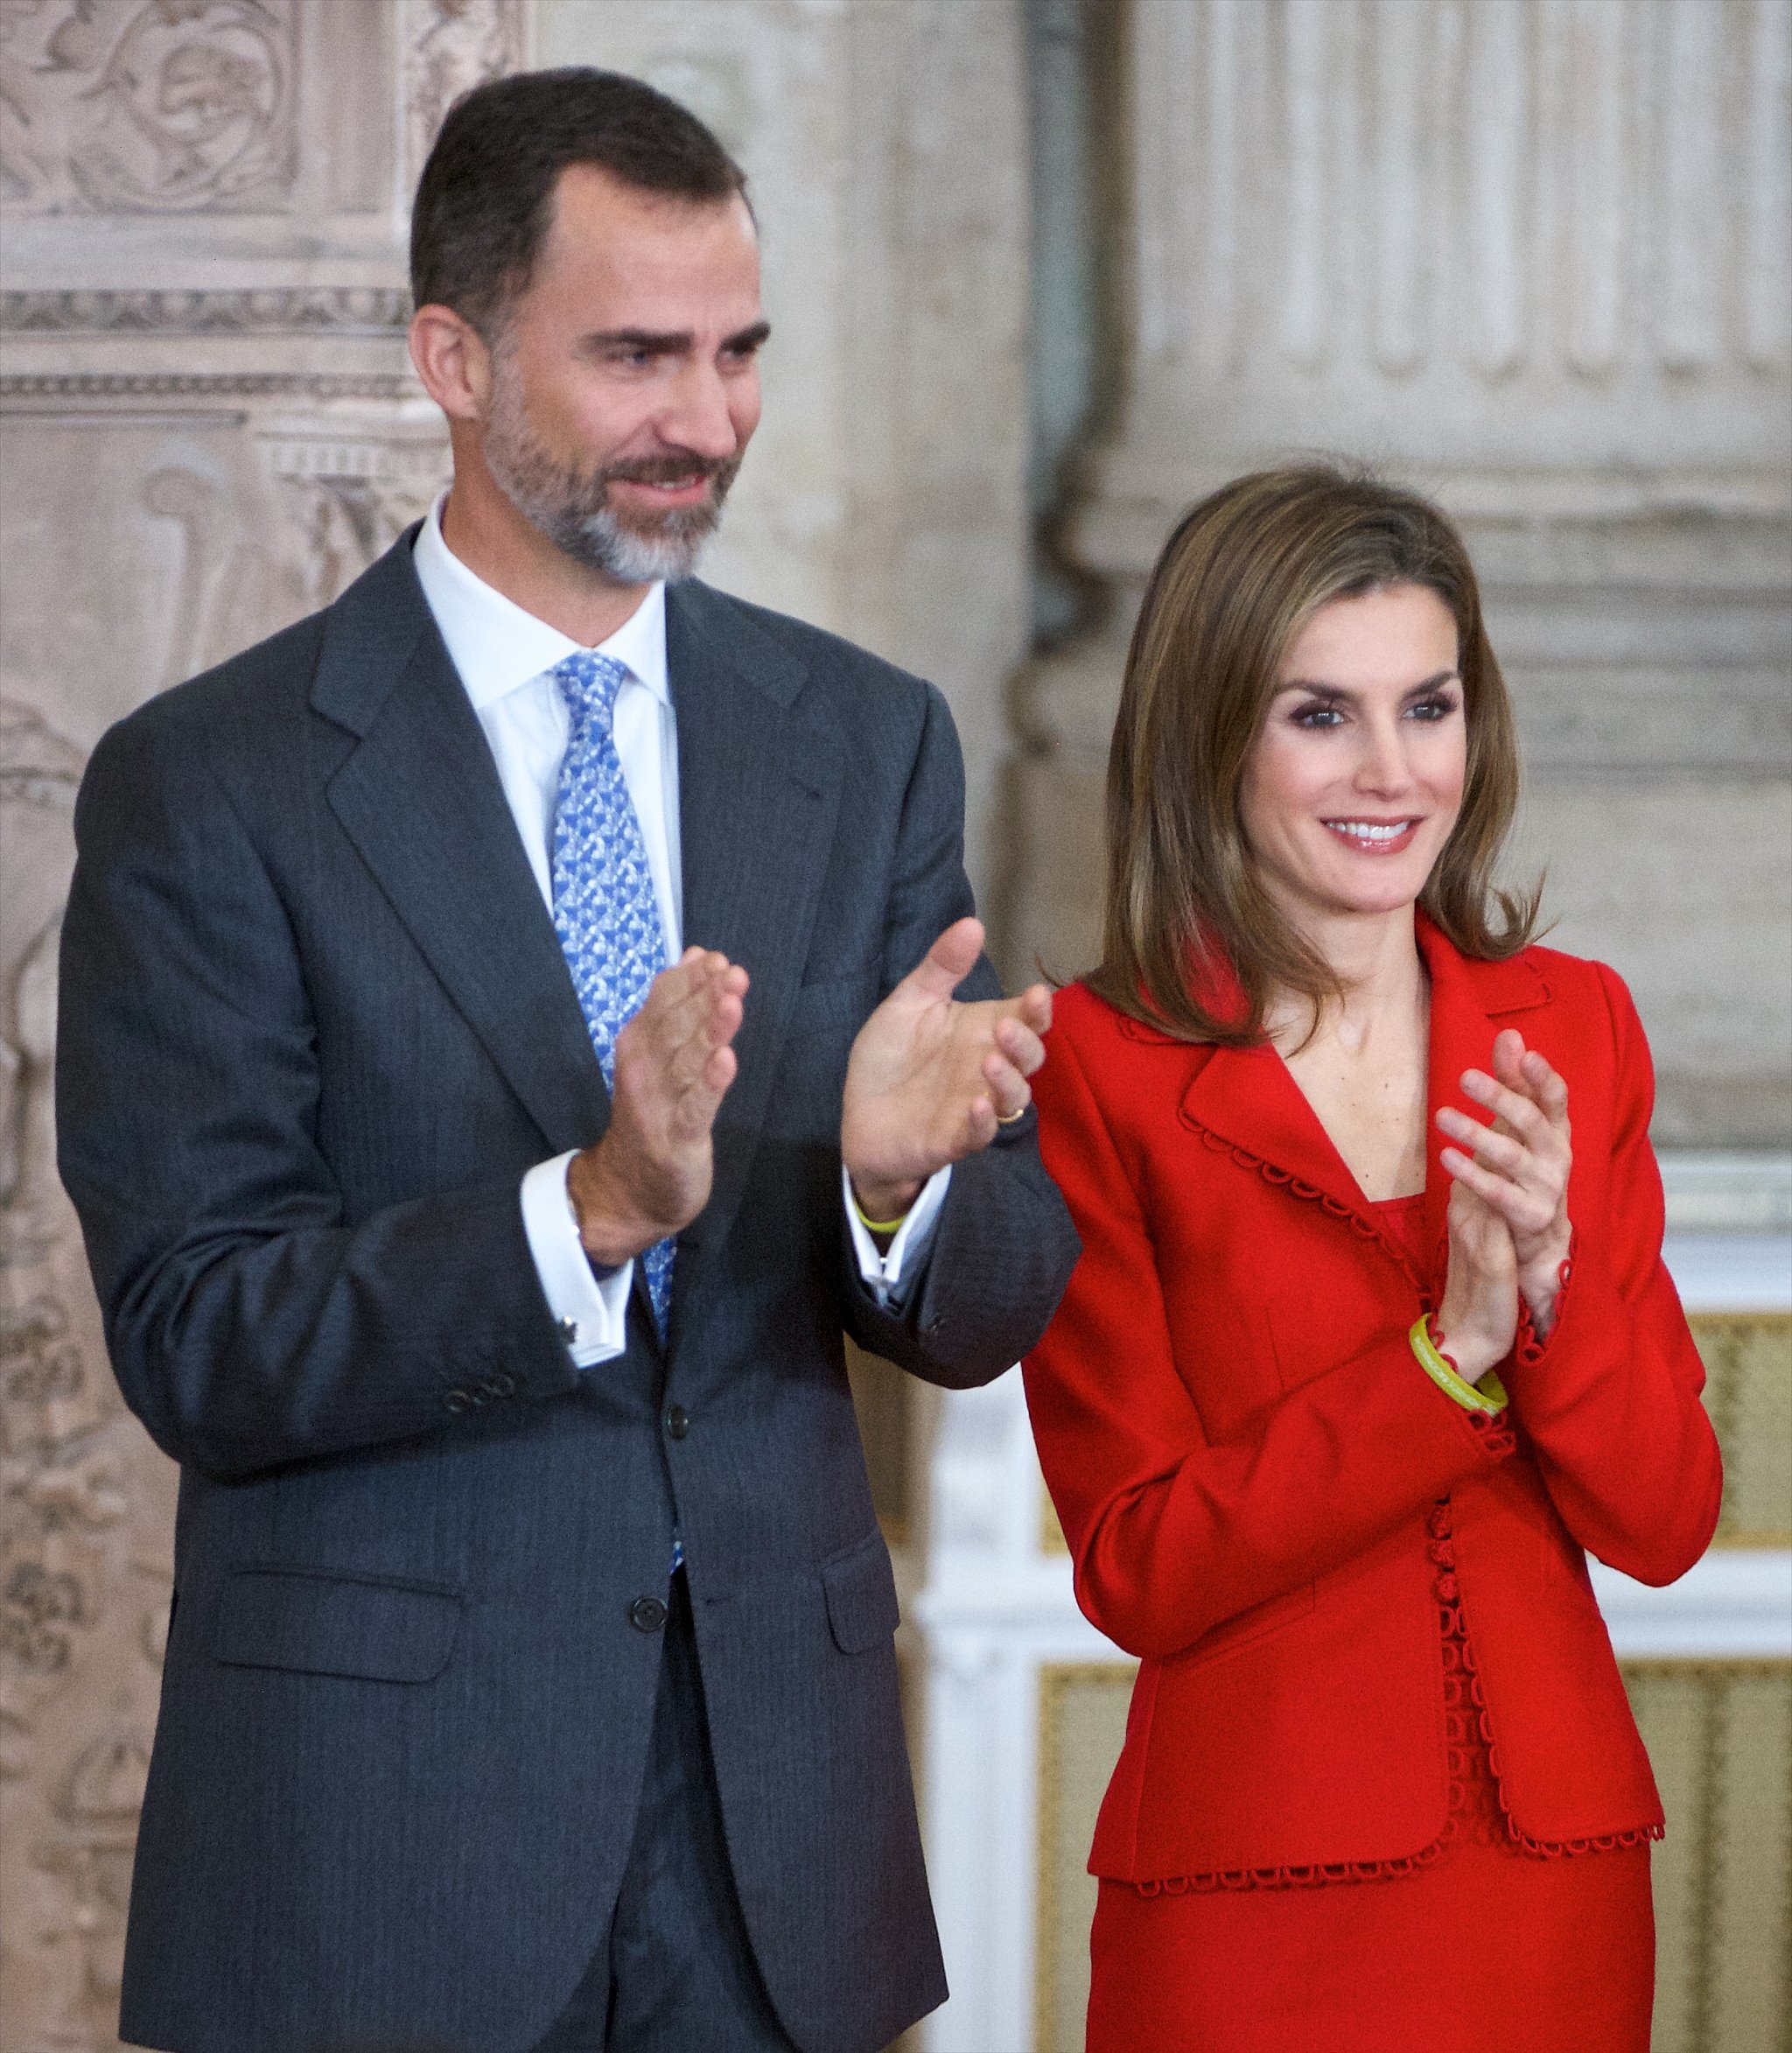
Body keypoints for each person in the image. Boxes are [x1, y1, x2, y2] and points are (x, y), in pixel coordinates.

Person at [56, 68, 1078, 2053]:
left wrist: (892, 1187)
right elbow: (198, 1333)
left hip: (776, 1860)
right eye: (634, 355)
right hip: (378, 1859)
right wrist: (587, 1213)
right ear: (452, 354)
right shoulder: (212, 786)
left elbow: (985, 1304)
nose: (705, 419)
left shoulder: (865, 741)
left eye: (736, 352)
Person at [1021, 466, 1723, 2053]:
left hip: (1549, 1884)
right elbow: (1135, 1561)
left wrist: (1548, 1294)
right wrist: (1441, 1358)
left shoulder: (1576, 1027)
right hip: (1248, 1891)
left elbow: (1670, 1516)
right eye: (1320, 715)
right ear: (1212, 736)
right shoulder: (1096, 1064)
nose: (1395, 771)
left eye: (1430, 705)